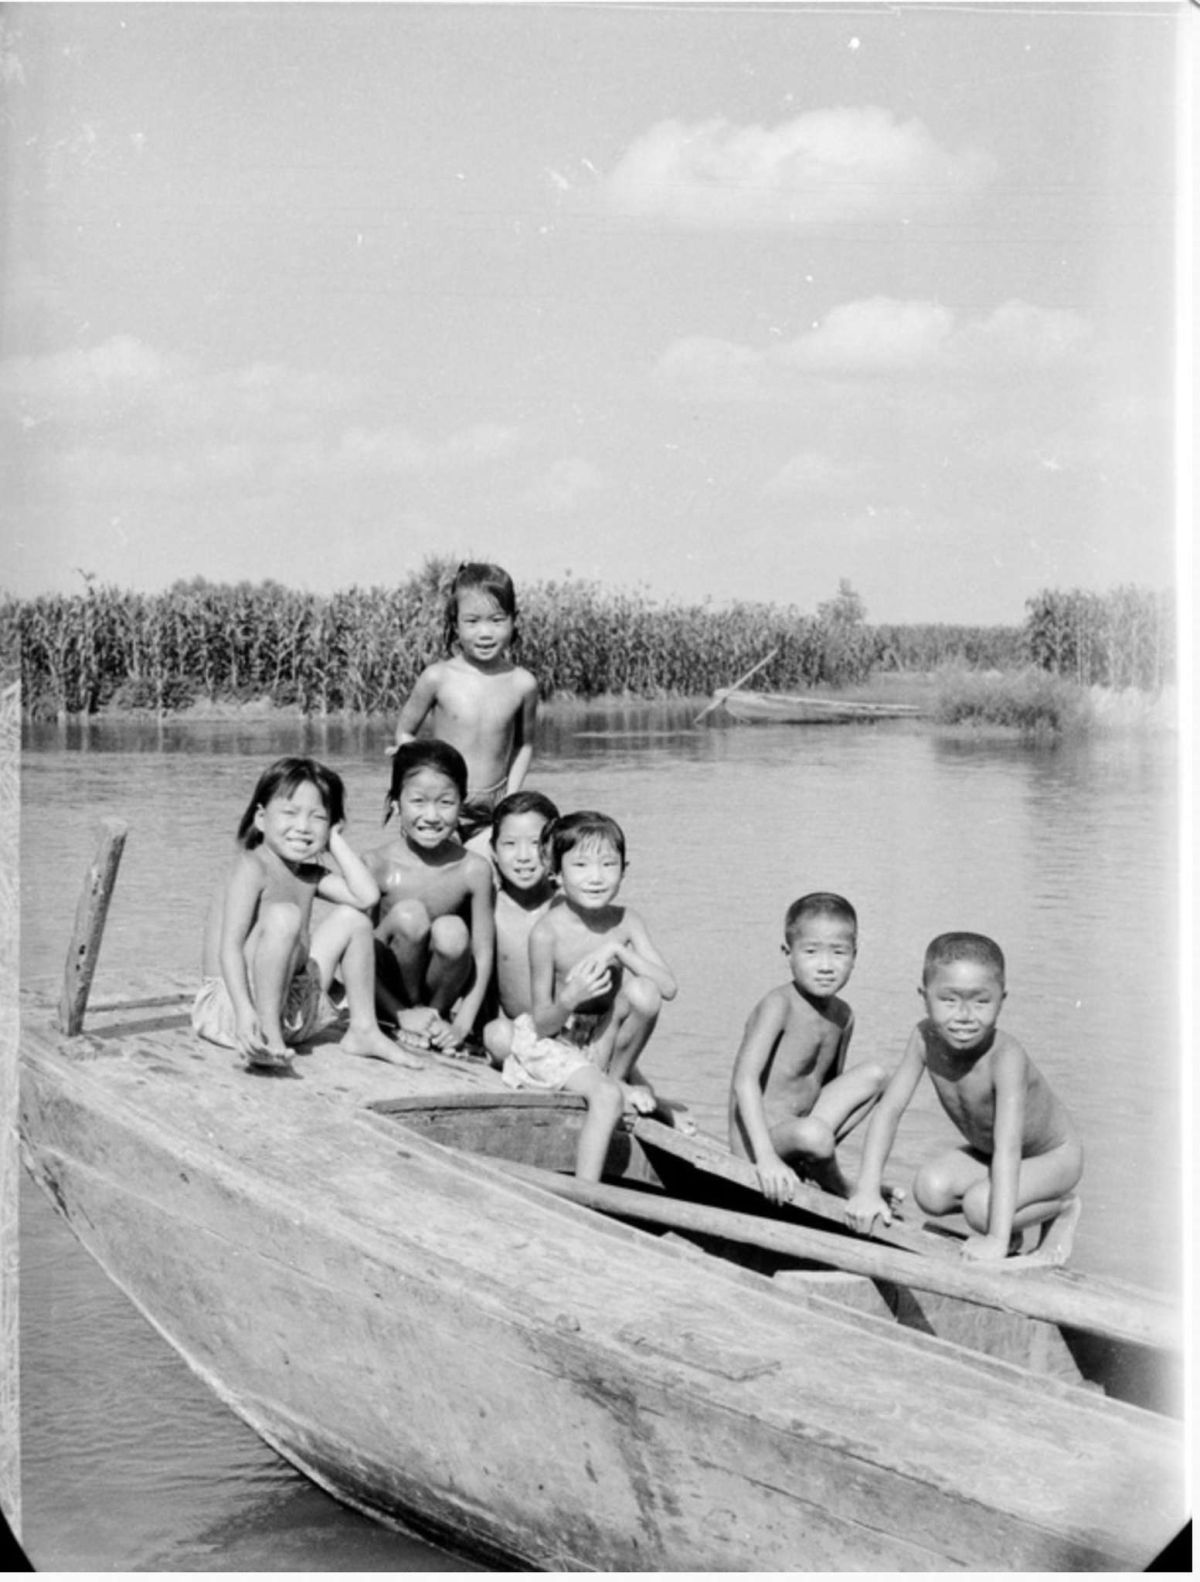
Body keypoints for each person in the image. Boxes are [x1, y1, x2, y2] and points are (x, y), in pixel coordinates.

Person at [846, 932, 1084, 1263]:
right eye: (948, 1000)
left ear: (1002, 999)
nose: (964, 1016)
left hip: (1054, 1158)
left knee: (979, 1208)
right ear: (924, 996)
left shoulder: (1006, 1057)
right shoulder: (923, 1038)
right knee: (930, 1190)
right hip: (993, 1155)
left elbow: (1009, 1148)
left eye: (981, 1001)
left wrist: (994, 1239)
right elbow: (889, 1110)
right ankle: (1012, 1228)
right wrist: (867, 1191)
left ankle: (1062, 1208)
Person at [193, 756, 423, 1073]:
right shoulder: (251, 866)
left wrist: (336, 842)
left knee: (354, 919)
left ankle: (364, 1030)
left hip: (293, 1009)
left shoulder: (310, 873)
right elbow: (229, 949)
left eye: (317, 818)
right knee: (285, 916)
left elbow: (366, 897)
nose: (302, 827)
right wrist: (247, 1014)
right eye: (289, 813)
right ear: (260, 819)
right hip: (234, 1009)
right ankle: (270, 1034)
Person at [502, 811, 677, 1181]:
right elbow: (543, 1025)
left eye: (608, 864)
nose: (596, 877)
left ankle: (619, 1077)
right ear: (556, 874)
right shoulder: (546, 933)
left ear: (624, 869)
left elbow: (668, 987)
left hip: (600, 1038)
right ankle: (588, 1195)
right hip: (555, 1039)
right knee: (607, 1098)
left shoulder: (627, 920)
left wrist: (619, 951)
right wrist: (570, 997)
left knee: (644, 991)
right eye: (580, 865)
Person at [729, 893, 886, 1204]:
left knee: (877, 1075)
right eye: (811, 952)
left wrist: (819, 1141)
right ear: (788, 953)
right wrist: (765, 1158)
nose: (826, 966)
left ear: (855, 955)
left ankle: (814, 1167)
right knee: (813, 1134)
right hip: (759, 1141)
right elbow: (744, 1082)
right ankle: (841, 1186)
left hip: (808, 1135)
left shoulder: (844, 1016)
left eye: (839, 952)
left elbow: (829, 1088)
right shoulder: (779, 1005)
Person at [391, 561, 539, 846]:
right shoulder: (438, 677)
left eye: (496, 620)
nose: (485, 633)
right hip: (444, 801)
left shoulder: (523, 683)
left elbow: (525, 744)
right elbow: (404, 732)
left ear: (514, 619)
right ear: (455, 624)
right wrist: (413, 771)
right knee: (439, 878)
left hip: (494, 803)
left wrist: (510, 797)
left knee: (487, 879)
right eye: (472, 621)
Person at [366, 739, 495, 1053]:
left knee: (452, 931)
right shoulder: (376, 865)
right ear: (396, 803)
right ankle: (404, 1017)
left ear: (462, 804)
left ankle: (435, 1020)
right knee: (410, 916)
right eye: (418, 801)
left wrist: (462, 1023)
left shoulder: (473, 870)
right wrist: (400, 1014)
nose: (432, 816)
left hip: (439, 994)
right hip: (386, 992)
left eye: (445, 803)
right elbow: (356, 950)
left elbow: (483, 952)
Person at [480, 788, 561, 1070]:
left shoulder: (569, 908)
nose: (524, 856)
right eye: (510, 844)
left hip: (569, 1031)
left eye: (537, 843)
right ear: (493, 851)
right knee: (498, 1036)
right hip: (518, 1034)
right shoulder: (487, 908)